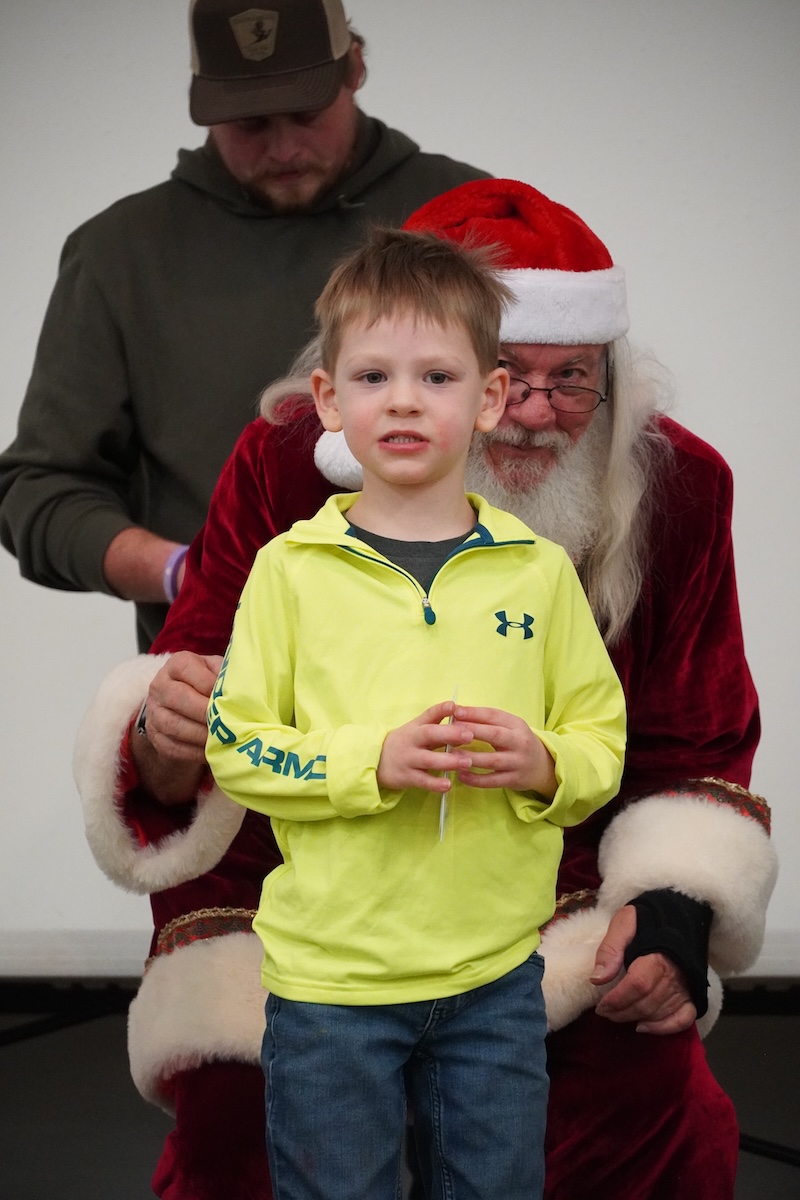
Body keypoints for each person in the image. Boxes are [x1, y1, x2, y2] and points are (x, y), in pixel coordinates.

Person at [74, 180, 777, 1200]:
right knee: (247, 1137)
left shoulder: (674, 489)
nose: (535, 415)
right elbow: (219, 722)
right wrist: (167, 732)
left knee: (642, 1109)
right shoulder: (286, 483)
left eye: (571, 381)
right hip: (315, 923)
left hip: (534, 921)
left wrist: (670, 908)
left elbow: (671, 736)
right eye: (511, 373)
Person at [204, 226, 626, 1200]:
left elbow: (600, 742)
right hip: (332, 988)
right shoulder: (289, 572)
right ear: (328, 401)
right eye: (372, 377)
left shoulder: (537, 572)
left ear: (488, 400)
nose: (402, 400)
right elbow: (239, 748)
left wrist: (544, 763)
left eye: (437, 377)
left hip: (495, 980)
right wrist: (372, 762)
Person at [0, 0, 487, 652]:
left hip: (459, 663)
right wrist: (189, 574)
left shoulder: (469, 216)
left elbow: (556, 430)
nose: (283, 148)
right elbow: (43, 490)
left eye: (306, 114)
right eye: (249, 123)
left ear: (355, 67)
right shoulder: (120, 254)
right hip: (219, 671)